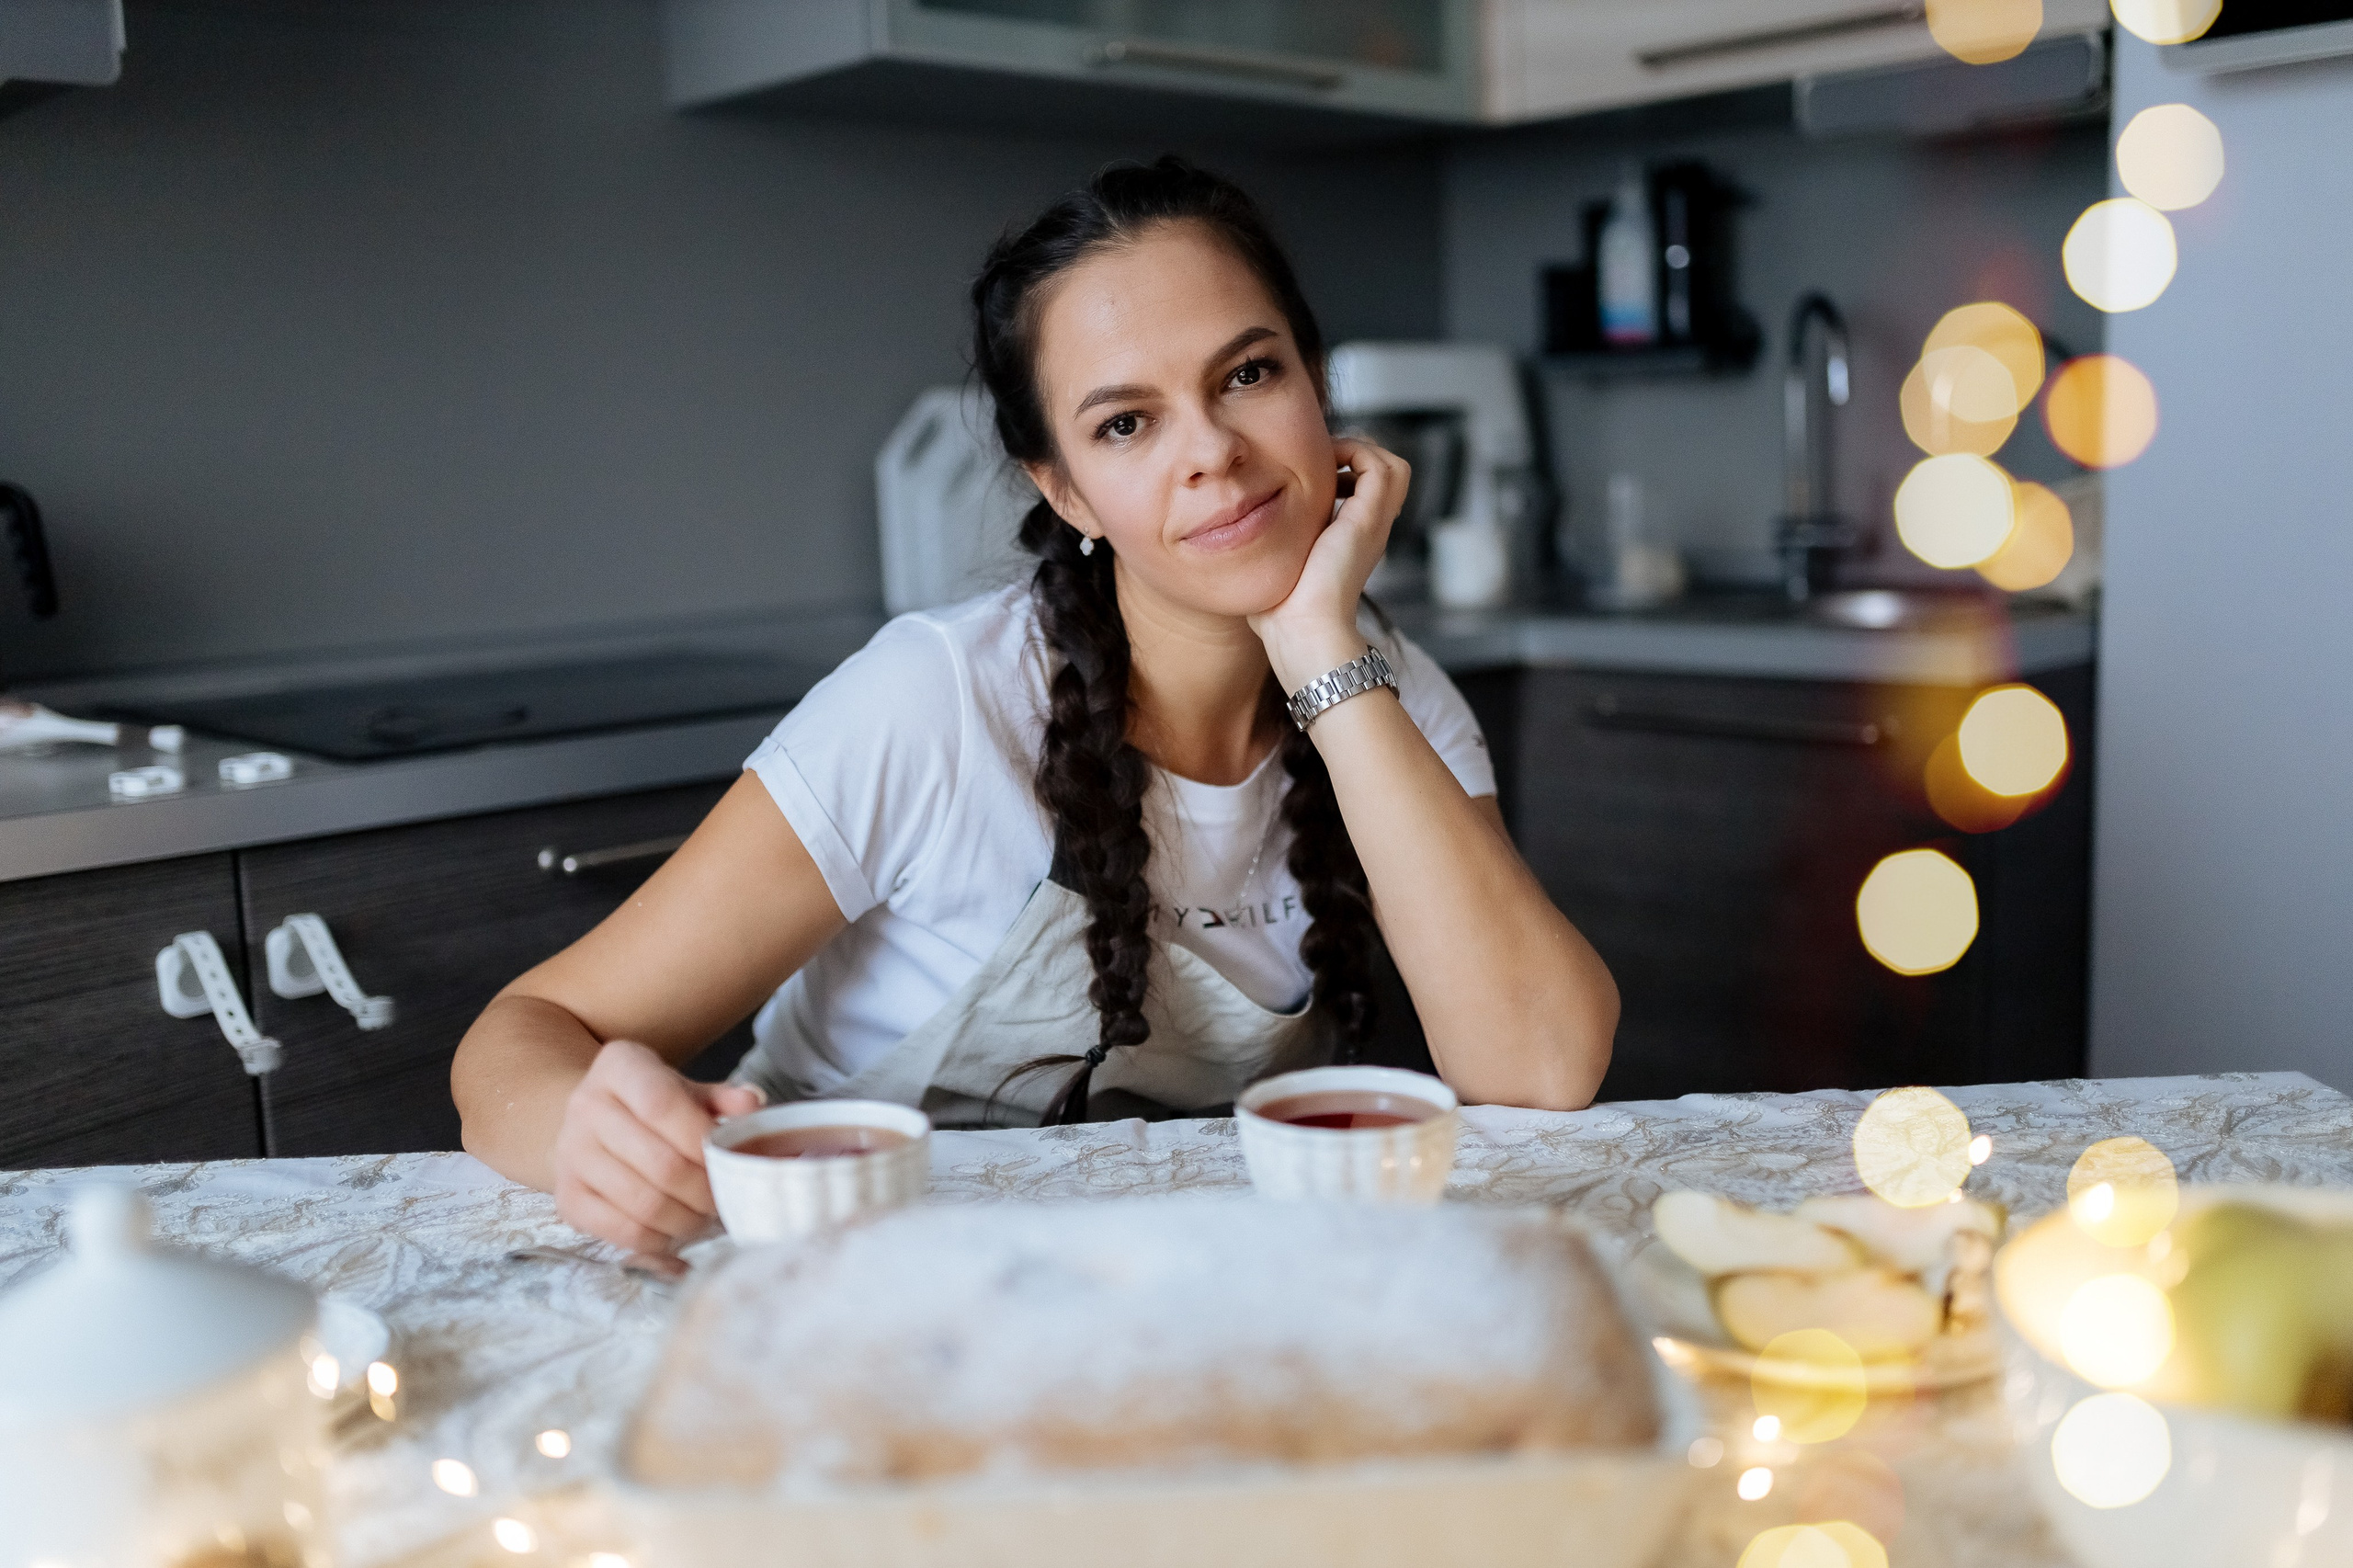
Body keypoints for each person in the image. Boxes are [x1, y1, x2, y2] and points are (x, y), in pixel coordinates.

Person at [451, 157, 1619, 1257]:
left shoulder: (1390, 696)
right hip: (856, 1274)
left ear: (1319, 389)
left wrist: (1317, 644)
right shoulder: (935, 703)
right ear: (1065, 489)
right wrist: (589, 1137)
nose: (1212, 449)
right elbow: (528, 1027)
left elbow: (1539, 1065)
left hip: (1180, 1281)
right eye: (1126, 422)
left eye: (1249, 374)